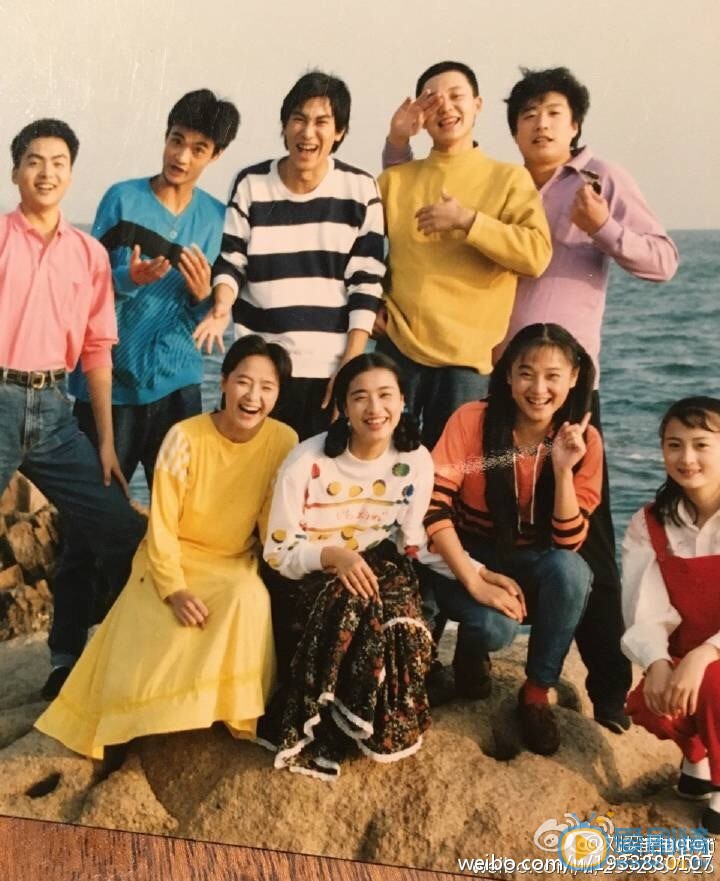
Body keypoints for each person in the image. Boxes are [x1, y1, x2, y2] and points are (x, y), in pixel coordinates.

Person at [385, 66, 679, 732]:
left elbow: (663, 262)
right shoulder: (502, 182)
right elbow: (407, 202)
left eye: (554, 113)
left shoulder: (598, 180)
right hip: (495, 378)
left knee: (586, 542)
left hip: (564, 390)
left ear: (575, 123)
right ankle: (464, 651)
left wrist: (604, 227)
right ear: (511, 127)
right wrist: (398, 148)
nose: (541, 125)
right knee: (469, 505)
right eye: (528, 115)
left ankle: (606, 688)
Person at [46, 92, 241, 699]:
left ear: (215, 156)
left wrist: (206, 298)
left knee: (180, 524)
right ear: (165, 135)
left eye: (199, 148)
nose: (182, 155)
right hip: (108, 387)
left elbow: (214, 310)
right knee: (87, 524)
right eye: (177, 139)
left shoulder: (216, 218)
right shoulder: (122, 198)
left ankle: (150, 646)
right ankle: (65, 653)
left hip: (179, 387)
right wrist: (128, 278)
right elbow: (84, 286)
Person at [35, 336, 298, 759]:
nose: (253, 396)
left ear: (279, 395)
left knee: (247, 598)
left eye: (267, 387)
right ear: (223, 382)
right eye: (243, 382)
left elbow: (272, 520)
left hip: (232, 560)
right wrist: (173, 588)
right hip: (172, 556)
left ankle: (227, 710)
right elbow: (161, 524)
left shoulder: (284, 440)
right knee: (165, 624)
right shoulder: (185, 437)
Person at [0, 119, 146, 700]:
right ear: (16, 172)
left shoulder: (88, 254)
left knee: (121, 530)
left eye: (58, 162)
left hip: (56, 414)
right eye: (34, 161)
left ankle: (90, 660)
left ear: (71, 174)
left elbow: (97, 350)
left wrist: (106, 442)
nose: (47, 172)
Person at [420, 324, 600, 756]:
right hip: (466, 557)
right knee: (493, 629)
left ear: (574, 377)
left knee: (572, 571)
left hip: (530, 561)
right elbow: (432, 509)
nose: (538, 389)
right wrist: (475, 580)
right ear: (507, 375)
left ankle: (535, 695)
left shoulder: (584, 440)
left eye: (553, 376)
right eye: (526, 373)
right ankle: (471, 650)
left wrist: (562, 470)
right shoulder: (471, 420)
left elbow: (568, 541)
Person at [262, 353, 434, 779]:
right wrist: (333, 556)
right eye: (360, 397)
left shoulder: (415, 460)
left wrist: (475, 574)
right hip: (307, 570)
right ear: (343, 406)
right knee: (352, 602)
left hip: (374, 558)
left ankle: (376, 727)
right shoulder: (307, 462)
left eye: (385, 395)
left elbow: (412, 542)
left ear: (403, 400)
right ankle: (329, 727)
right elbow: (277, 553)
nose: (375, 409)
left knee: (398, 614)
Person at [193, 71, 385, 441]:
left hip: (328, 370)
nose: (307, 132)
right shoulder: (251, 184)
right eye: (298, 119)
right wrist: (220, 308)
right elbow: (232, 261)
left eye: (321, 122)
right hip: (262, 370)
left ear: (339, 132)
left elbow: (367, 283)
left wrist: (350, 366)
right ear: (284, 126)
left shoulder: (361, 188)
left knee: (317, 471)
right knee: (249, 469)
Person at [377, 60, 552, 450]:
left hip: (467, 361)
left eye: (456, 96)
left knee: (454, 472)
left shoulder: (509, 178)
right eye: (432, 100)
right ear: (420, 114)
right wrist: (371, 304)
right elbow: (359, 251)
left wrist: (469, 222)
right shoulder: (394, 180)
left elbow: (536, 255)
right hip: (398, 350)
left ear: (478, 105)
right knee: (384, 465)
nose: (446, 107)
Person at [621, 397, 720, 833]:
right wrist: (658, 662)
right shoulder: (651, 522)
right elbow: (643, 604)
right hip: (692, 657)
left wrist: (706, 654)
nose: (687, 458)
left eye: (701, 444)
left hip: (713, 661)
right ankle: (697, 756)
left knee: (713, 681)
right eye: (674, 445)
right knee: (650, 702)